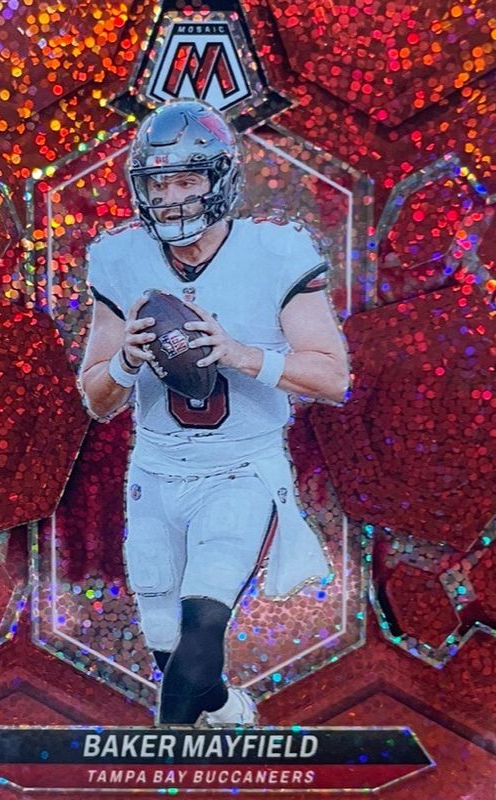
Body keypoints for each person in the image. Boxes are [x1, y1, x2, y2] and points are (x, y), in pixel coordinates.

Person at [79, 99, 349, 727]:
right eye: (158, 184)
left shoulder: (275, 250)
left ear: (220, 178)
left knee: (202, 626)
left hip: (240, 471)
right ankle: (226, 708)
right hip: (155, 473)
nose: (171, 198)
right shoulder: (120, 257)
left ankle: (167, 755)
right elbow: (96, 399)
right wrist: (126, 362)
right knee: (167, 648)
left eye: (186, 179)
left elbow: (332, 377)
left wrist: (240, 354)